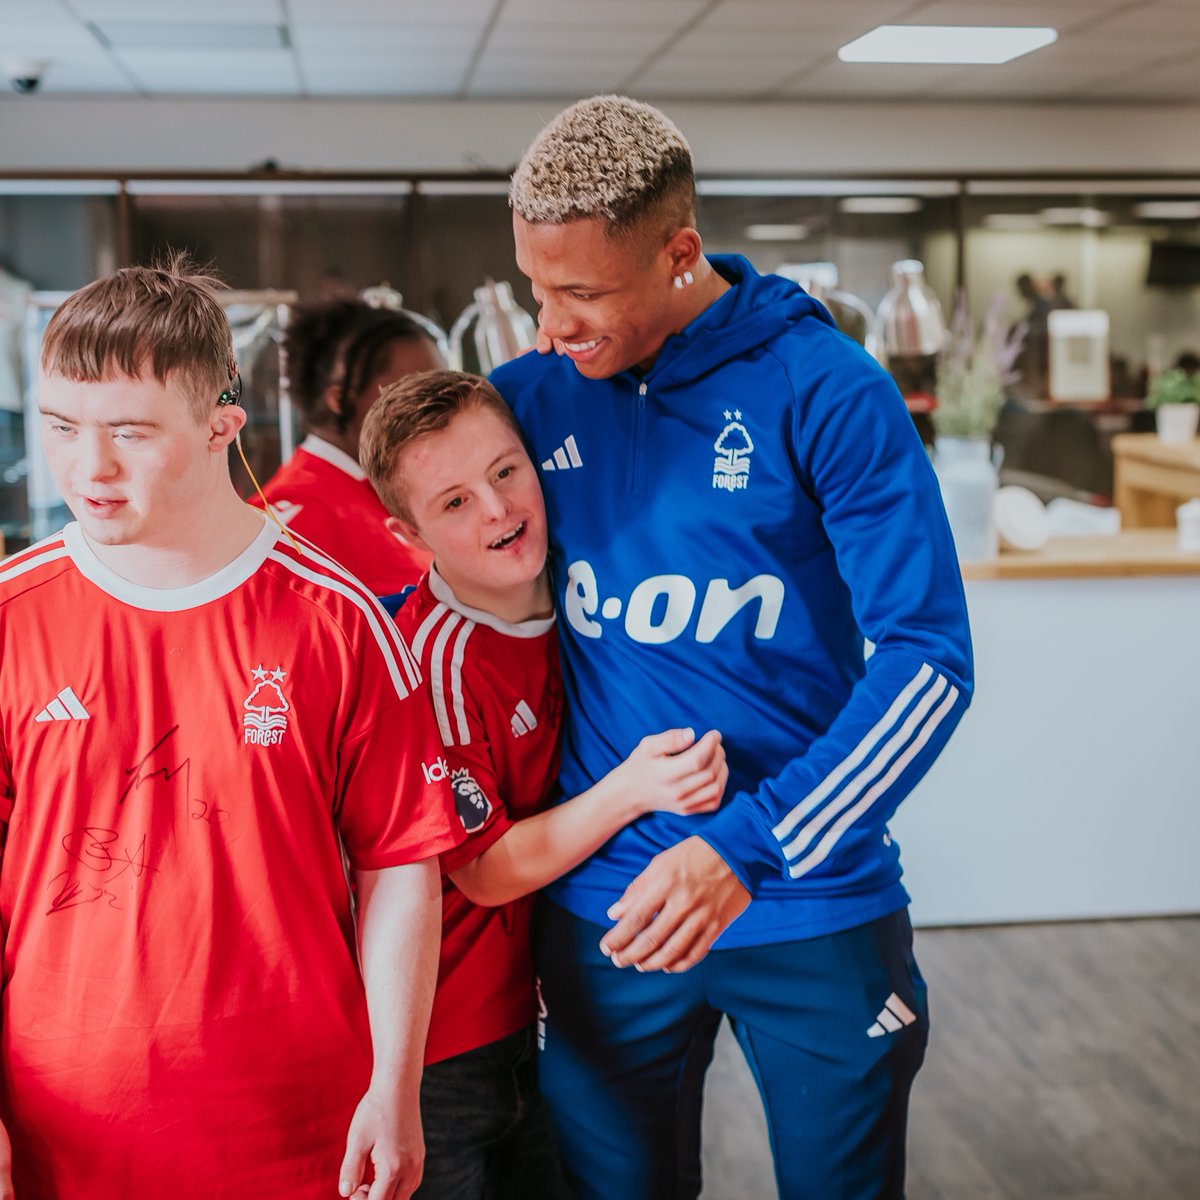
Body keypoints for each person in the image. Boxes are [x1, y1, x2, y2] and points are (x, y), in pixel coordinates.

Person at [491, 95, 974, 1200]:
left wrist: (748, 847)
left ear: (679, 253)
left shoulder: (828, 389)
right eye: (534, 288)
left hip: (807, 894)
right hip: (608, 909)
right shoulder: (525, 400)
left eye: (582, 293)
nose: (550, 324)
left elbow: (928, 662)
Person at [0, 262, 461, 1200]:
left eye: (130, 433)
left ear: (221, 426)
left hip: (298, 1130)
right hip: (56, 1130)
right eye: (62, 427)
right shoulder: (13, 617)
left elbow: (400, 868)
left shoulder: (338, 621)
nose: (89, 468)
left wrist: (396, 1084)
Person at [358, 368, 728, 1199]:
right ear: (408, 534)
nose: (497, 509)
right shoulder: (437, 661)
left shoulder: (580, 592)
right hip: (447, 1040)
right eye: (455, 502)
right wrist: (634, 788)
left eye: (505, 470)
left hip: (551, 1004)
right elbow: (484, 870)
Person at [252, 299, 444, 593]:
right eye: (416, 395)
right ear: (339, 399)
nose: (440, 411)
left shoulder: (390, 488)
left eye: (442, 391)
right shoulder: (288, 521)